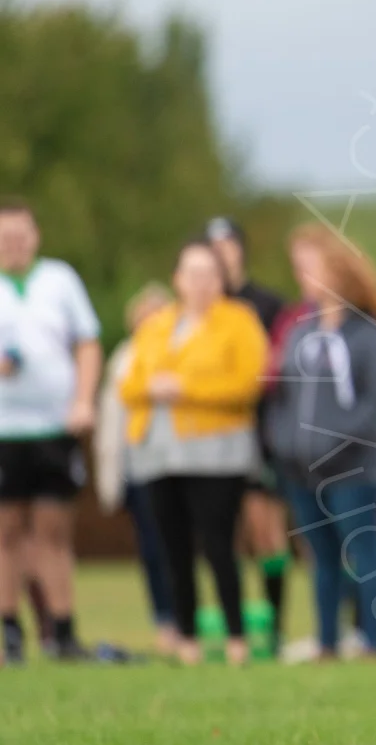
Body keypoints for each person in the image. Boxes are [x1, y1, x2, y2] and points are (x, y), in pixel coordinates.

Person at [121, 240, 268, 666]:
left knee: (219, 545)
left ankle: (236, 636)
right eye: (192, 273)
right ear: (177, 280)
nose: (201, 282)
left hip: (216, 454)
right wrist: (152, 388)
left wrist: (188, 391)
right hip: (159, 453)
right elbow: (128, 384)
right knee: (173, 547)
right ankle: (186, 638)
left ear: (221, 280)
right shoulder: (157, 324)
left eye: (209, 273)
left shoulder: (239, 322)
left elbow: (247, 382)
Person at [266, 223, 376, 660]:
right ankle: (327, 642)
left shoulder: (367, 334)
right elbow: (284, 395)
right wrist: (284, 443)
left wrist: (334, 441)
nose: (302, 277)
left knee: (364, 553)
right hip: (301, 470)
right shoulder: (300, 331)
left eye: (309, 267)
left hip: (355, 468)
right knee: (320, 559)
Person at [0, 198, 102, 663]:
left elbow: (86, 343)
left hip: (53, 427)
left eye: (22, 235)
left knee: (53, 531)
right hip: (5, 430)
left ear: (35, 235)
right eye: (6, 237)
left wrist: (82, 400)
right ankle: (11, 632)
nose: (14, 244)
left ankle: (62, 630)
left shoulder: (59, 280)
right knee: (6, 532)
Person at [206, 216, 291, 649]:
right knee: (223, 532)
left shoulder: (267, 304)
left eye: (227, 245)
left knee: (266, 531)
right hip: (210, 436)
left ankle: (276, 625)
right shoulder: (200, 308)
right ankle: (233, 625)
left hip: (259, 435)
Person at [95, 282, 179, 653]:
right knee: (151, 547)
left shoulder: (181, 353)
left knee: (180, 545)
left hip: (177, 464)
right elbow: (110, 423)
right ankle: (164, 619)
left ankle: (189, 618)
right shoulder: (124, 359)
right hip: (136, 466)